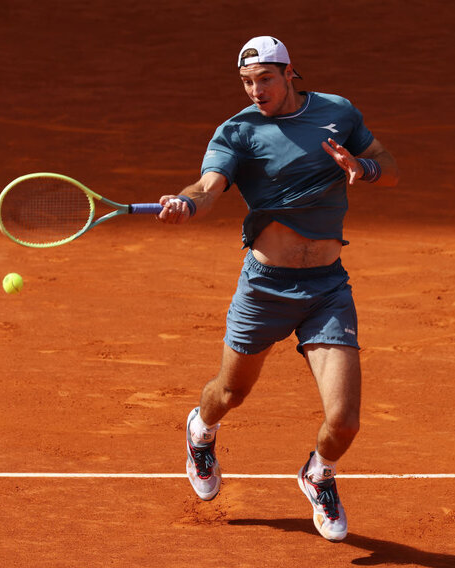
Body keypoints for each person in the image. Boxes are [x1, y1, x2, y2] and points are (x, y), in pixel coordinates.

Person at [156, 36, 399, 541]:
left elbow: (389, 167)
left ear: (290, 74)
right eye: (247, 82)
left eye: (264, 79)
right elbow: (207, 188)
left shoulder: (337, 112)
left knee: (345, 421)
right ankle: (201, 430)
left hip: (328, 287)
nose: (256, 91)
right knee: (230, 393)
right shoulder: (237, 132)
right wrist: (185, 203)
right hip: (265, 288)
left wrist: (363, 168)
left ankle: (319, 475)